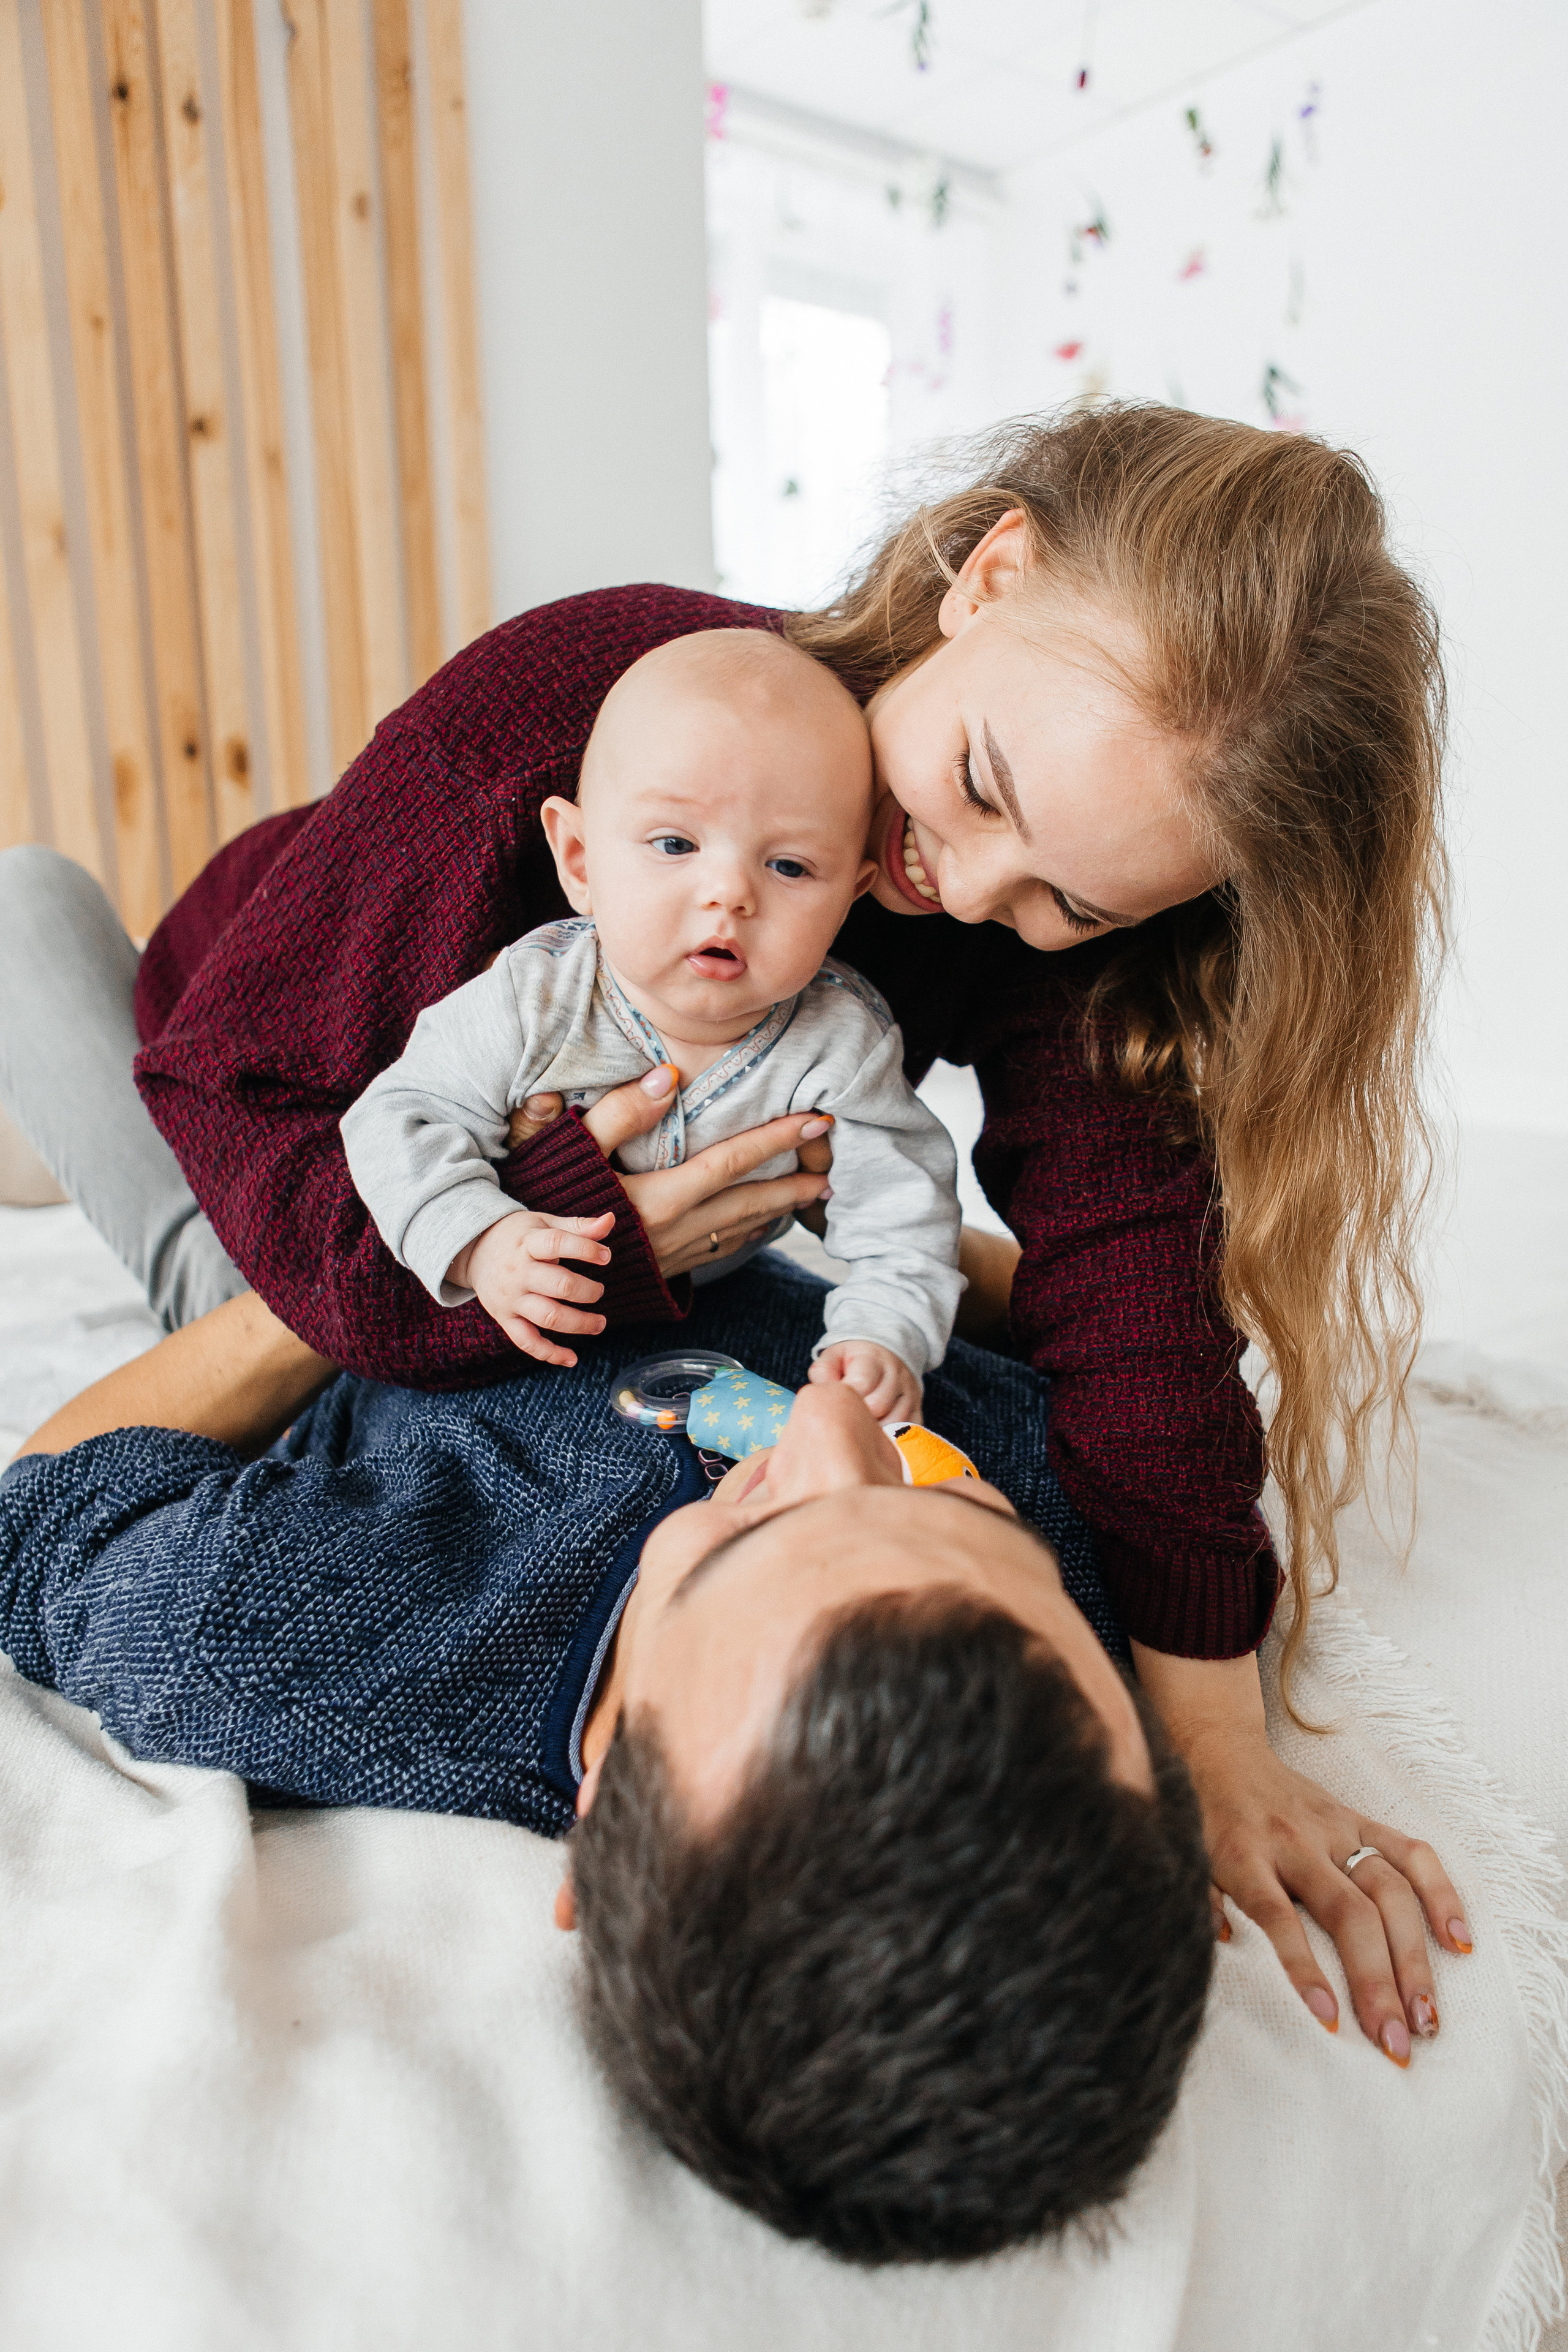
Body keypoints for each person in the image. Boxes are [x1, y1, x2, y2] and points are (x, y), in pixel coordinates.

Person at [0, 402, 1461, 2069]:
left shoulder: (1030, 902)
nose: (971, 892)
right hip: (328, 1134)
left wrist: (1208, 1722)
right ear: (991, 575)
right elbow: (246, 1089)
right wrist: (549, 1237)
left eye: (1077, 902)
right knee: (30, 909)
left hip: (601, 1212)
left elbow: (1127, 1265)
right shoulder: (584, 706)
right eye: (977, 788)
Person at [0, 1255, 1219, 2264]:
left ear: (605, 1815)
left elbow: (42, 1510)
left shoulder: (279, 1638)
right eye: (961, 1508)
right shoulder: (1071, 1581)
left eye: (752, 1529)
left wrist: (388, 1261)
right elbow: (1056, 1305)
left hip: (313, 1255)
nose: (838, 1422)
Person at [342, 629, 960, 1422]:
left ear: (851, 894)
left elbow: (905, 1216)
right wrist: (483, 1240)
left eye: (790, 867)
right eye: (675, 844)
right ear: (579, 860)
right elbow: (399, 1115)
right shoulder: (535, 997)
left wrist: (883, 1338)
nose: (730, 893)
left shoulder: (842, 1043)